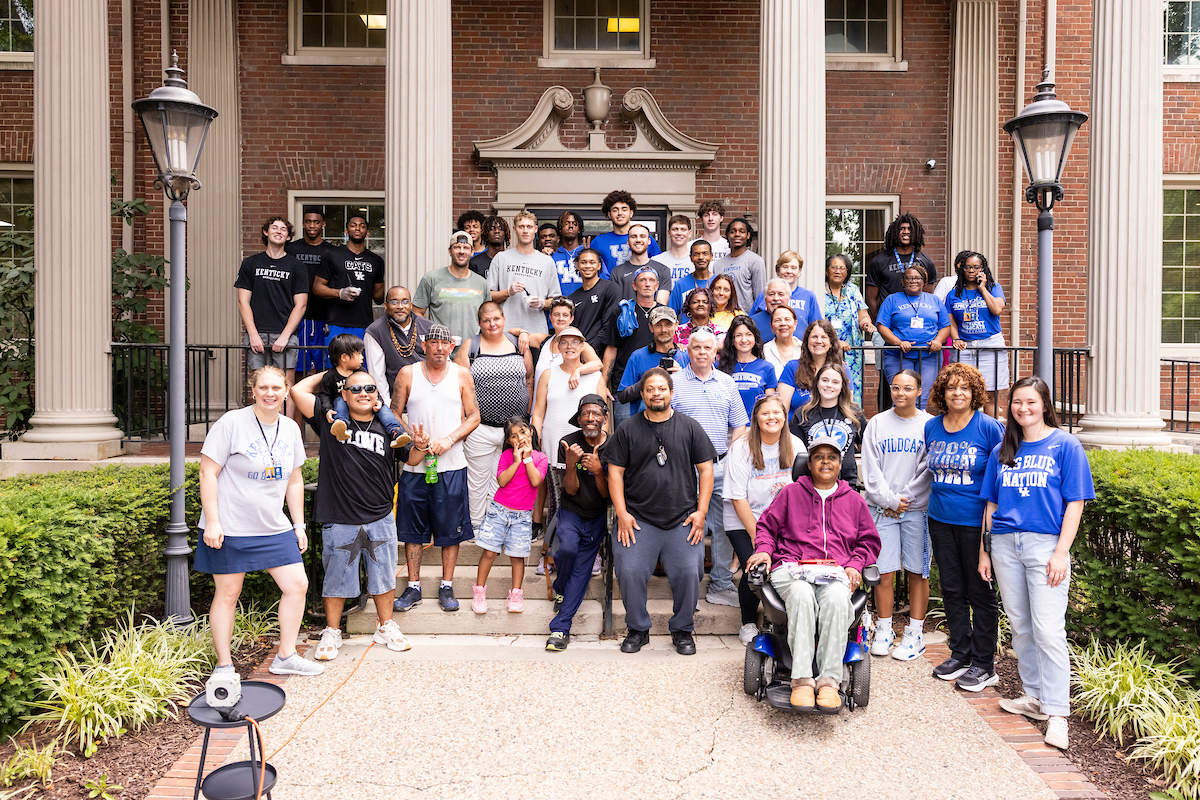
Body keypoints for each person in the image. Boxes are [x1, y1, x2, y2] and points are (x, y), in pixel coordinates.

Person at [980, 376, 1095, 751]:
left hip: (1045, 546)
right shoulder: (1003, 449)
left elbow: (1075, 502)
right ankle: (1034, 696)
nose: (1023, 408)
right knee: (1021, 626)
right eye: (1017, 402)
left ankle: (1058, 713)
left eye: (1030, 402)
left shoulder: (1065, 445)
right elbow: (991, 504)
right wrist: (985, 551)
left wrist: (1061, 552)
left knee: (1048, 629)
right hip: (1004, 545)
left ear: (1045, 405)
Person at [196, 366, 322, 677]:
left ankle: (286, 656)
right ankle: (224, 666)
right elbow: (207, 473)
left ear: (286, 391)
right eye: (263, 387)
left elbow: (294, 480)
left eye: (276, 388)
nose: (270, 393)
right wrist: (213, 522)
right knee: (228, 594)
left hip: (273, 526)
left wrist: (298, 525)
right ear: (252, 391)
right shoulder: (232, 423)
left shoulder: (290, 428)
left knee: (297, 585)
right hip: (230, 526)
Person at [745, 437, 881, 710]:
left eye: (832, 457)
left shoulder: (854, 501)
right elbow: (767, 529)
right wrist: (764, 551)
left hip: (835, 570)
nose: (825, 462)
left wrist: (855, 564)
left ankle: (829, 681)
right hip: (792, 566)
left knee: (837, 599)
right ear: (809, 464)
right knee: (801, 594)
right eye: (819, 457)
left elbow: (868, 541)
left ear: (840, 465)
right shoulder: (790, 494)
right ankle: (802, 680)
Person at [290, 369, 411, 661]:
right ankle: (332, 631)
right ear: (344, 394)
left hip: (380, 514)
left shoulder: (388, 426)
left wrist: (420, 443)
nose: (363, 393)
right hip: (340, 514)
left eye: (369, 388)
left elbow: (413, 457)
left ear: (377, 394)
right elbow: (297, 391)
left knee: (384, 575)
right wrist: (336, 371)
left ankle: (385, 626)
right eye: (355, 389)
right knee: (336, 577)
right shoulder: (330, 419)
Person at [605, 368, 716, 656]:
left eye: (662, 389)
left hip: (682, 519)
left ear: (671, 393)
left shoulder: (690, 427)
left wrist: (701, 512)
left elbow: (706, 470)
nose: (656, 393)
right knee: (629, 571)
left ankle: (682, 629)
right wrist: (622, 513)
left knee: (689, 572)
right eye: (650, 389)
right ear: (642, 394)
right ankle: (638, 629)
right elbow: (615, 473)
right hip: (638, 519)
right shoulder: (627, 429)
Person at [924, 363, 1004, 691]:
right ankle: (960, 653)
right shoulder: (932, 427)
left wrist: (990, 531)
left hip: (976, 523)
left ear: (974, 393)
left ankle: (984, 664)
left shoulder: (989, 428)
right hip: (940, 519)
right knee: (952, 589)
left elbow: (1001, 478)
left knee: (980, 592)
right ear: (942, 393)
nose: (958, 393)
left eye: (965, 388)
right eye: (951, 387)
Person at [391, 324, 481, 612]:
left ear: (452, 347)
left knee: (451, 530)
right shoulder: (408, 373)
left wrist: (449, 440)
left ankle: (447, 585)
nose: (440, 348)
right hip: (416, 465)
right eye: (434, 343)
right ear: (424, 345)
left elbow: (474, 416)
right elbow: (394, 413)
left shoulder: (461, 374)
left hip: (452, 465)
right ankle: (413, 586)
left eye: (445, 344)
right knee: (412, 530)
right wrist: (413, 437)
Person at [670, 329, 750, 609]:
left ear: (716, 352)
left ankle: (721, 584)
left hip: (719, 466)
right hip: (683, 468)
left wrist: (732, 459)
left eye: (707, 348)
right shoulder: (674, 383)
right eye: (697, 348)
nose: (702, 352)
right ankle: (686, 587)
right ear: (688, 351)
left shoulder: (727, 383)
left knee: (723, 527)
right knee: (684, 526)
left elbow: (739, 424)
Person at [862, 369, 933, 662]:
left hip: (916, 510)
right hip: (883, 509)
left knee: (918, 571)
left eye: (907, 388)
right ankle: (884, 629)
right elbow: (871, 469)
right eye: (895, 388)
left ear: (919, 390)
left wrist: (904, 499)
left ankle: (915, 633)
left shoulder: (929, 424)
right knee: (884, 572)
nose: (900, 393)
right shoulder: (877, 423)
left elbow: (928, 468)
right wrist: (890, 500)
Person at [722, 395, 802, 644]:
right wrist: (760, 540)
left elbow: (803, 490)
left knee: (787, 567)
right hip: (744, 520)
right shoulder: (741, 447)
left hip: (783, 522)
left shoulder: (796, 445)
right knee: (755, 565)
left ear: (784, 417)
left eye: (776, 413)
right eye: (765, 413)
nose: (771, 417)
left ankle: (781, 619)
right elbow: (738, 498)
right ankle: (748, 623)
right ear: (756, 418)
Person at [453, 302, 533, 529]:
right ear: (479, 323)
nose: (492, 324)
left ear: (504, 319)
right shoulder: (471, 345)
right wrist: (463, 423)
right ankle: (476, 526)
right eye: (486, 320)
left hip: (513, 431)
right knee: (477, 480)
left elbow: (529, 378)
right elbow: (458, 386)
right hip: (480, 427)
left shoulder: (517, 343)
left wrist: (526, 417)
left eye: (496, 319)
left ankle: (494, 526)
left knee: (504, 480)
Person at [546, 395, 610, 651]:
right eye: (585, 413)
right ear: (579, 418)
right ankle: (560, 587)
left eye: (596, 413)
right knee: (566, 550)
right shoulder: (568, 442)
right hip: (571, 511)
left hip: (596, 516)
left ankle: (561, 628)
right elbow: (570, 490)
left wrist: (598, 470)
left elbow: (606, 495)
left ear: (604, 417)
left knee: (581, 572)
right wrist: (571, 464)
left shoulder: (613, 446)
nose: (590, 418)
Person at [472, 416, 549, 615]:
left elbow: (535, 481)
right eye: (514, 436)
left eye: (522, 432)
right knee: (489, 552)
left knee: (517, 556)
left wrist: (528, 458)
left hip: (523, 517)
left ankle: (516, 595)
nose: (519, 438)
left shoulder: (541, 458)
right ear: (509, 441)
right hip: (499, 511)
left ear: (530, 432)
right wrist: (516, 461)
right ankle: (479, 591)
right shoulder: (507, 456)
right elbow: (502, 481)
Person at [866, 214, 938, 411]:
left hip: (918, 334)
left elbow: (927, 295)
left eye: (909, 229)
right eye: (902, 229)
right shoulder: (880, 260)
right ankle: (887, 418)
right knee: (888, 380)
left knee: (917, 384)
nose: (906, 232)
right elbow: (871, 298)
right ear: (894, 233)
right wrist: (884, 324)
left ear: (916, 233)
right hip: (886, 329)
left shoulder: (926, 262)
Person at [235, 217, 309, 387]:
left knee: (286, 386)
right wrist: (253, 335)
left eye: (283, 229)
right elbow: (242, 301)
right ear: (266, 232)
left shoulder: (297, 266)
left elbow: (301, 305)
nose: (278, 231)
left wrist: (285, 336)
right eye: (274, 227)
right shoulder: (250, 263)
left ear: (288, 237)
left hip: (285, 334)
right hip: (257, 334)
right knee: (259, 385)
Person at [532, 325, 602, 494]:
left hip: (586, 446)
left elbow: (602, 416)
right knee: (556, 497)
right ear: (559, 346)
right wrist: (535, 442)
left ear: (582, 346)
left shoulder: (596, 377)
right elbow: (538, 413)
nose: (569, 346)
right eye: (564, 342)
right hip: (553, 444)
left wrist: (599, 446)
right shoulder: (548, 374)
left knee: (586, 495)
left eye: (575, 342)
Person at [877, 265, 951, 409]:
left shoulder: (934, 300)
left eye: (917, 278)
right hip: (897, 356)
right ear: (902, 281)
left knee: (921, 398)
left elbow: (945, 326)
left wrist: (938, 340)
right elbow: (882, 326)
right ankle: (900, 424)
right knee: (901, 397)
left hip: (929, 356)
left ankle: (916, 424)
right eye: (909, 278)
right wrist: (898, 342)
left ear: (924, 281)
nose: (913, 281)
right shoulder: (892, 300)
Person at [601, 267, 667, 425]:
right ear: (634, 285)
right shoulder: (621, 311)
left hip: (658, 387)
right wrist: (603, 383)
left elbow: (672, 344)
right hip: (626, 386)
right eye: (642, 280)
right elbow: (612, 348)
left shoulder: (664, 313)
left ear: (657, 285)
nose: (647, 284)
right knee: (626, 433)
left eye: (651, 280)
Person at [317, 334, 408, 448]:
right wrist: (327, 410)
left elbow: (372, 388)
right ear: (344, 357)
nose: (362, 357)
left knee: (384, 409)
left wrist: (379, 401)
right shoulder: (330, 376)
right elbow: (324, 395)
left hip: (365, 403)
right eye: (359, 354)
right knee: (340, 400)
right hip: (343, 406)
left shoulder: (361, 372)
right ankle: (340, 426)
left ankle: (396, 431)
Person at [945, 250, 1010, 409]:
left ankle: (989, 426)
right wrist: (956, 338)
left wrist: (983, 289)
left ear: (983, 269)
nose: (971, 271)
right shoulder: (953, 294)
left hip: (990, 345)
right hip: (965, 348)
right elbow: (951, 322)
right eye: (967, 267)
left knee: (989, 395)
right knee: (962, 392)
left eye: (976, 267)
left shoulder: (994, 288)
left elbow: (997, 310)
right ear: (962, 269)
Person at [791, 363, 866, 486]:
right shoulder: (802, 415)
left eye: (835, 382)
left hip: (847, 483)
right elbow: (795, 454)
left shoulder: (855, 414)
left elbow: (866, 449)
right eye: (825, 380)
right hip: (811, 484)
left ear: (842, 386)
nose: (829, 385)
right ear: (817, 383)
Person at [488, 210, 562, 336]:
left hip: (537, 331)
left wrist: (542, 303)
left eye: (529, 227)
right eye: (521, 227)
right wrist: (508, 292)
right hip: (506, 330)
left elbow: (556, 301)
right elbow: (488, 296)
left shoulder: (547, 261)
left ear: (535, 229)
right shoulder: (501, 258)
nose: (525, 231)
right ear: (514, 229)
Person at [413, 231, 490, 350]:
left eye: (466, 248)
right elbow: (416, 313)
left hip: (472, 352)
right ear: (450, 251)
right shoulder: (431, 279)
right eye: (457, 247)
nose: (461, 251)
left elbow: (487, 318)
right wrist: (433, 335)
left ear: (472, 252)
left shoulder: (482, 283)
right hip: (439, 351)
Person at [313, 214, 385, 341]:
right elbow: (317, 287)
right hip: (336, 322)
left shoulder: (376, 260)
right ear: (346, 231)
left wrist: (390, 279)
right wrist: (340, 293)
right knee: (335, 355)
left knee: (362, 355)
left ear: (367, 233)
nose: (357, 228)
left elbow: (378, 298)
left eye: (362, 226)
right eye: (353, 225)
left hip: (364, 323)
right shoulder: (332, 254)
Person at [521, 297, 602, 408]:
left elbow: (597, 364)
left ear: (571, 319)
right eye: (556, 315)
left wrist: (578, 371)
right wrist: (523, 332)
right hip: (538, 408)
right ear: (550, 317)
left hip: (562, 407)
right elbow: (510, 333)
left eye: (565, 315)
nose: (560, 318)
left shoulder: (578, 345)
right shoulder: (544, 341)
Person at [365, 285, 433, 410]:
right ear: (386, 306)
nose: (400, 306)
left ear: (411, 305)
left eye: (405, 301)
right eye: (394, 302)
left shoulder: (429, 327)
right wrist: (389, 406)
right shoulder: (375, 331)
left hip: (430, 399)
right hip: (397, 402)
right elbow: (378, 376)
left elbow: (442, 363)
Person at [614, 304, 689, 416]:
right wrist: (648, 379)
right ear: (651, 327)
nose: (663, 330)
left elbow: (699, 394)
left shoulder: (686, 356)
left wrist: (682, 377)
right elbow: (623, 396)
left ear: (676, 325)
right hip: (644, 422)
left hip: (679, 421)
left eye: (668, 324)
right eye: (658, 325)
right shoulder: (638, 356)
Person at [286, 207, 334, 377]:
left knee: (324, 366)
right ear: (303, 223)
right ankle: (299, 395)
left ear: (323, 224)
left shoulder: (331, 251)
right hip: (298, 314)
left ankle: (322, 396)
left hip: (324, 314)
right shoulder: (291, 249)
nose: (312, 225)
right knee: (299, 366)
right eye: (308, 221)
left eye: (316, 222)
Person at [824, 253, 875, 406]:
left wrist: (866, 324)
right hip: (826, 350)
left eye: (842, 268)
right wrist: (834, 342)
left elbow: (863, 315)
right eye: (834, 267)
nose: (838, 271)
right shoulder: (819, 290)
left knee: (852, 390)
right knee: (829, 386)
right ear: (826, 271)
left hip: (852, 352)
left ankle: (852, 417)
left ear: (847, 272)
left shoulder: (852, 290)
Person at [779, 319, 849, 415]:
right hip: (796, 423)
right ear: (807, 341)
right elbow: (782, 410)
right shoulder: (792, 367)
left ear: (831, 343)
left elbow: (847, 407)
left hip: (830, 424)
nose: (818, 341)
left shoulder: (842, 369)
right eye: (814, 337)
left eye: (824, 337)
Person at [718, 315, 778, 420]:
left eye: (748, 334)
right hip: (726, 425)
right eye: (738, 335)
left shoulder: (767, 368)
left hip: (755, 425)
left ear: (755, 337)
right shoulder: (718, 367)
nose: (744, 340)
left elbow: (770, 405)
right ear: (732, 339)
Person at [592, 190, 661, 278]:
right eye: (615, 210)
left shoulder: (644, 239)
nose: (620, 213)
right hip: (610, 286)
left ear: (631, 213)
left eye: (624, 209)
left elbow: (658, 267)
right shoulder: (598, 242)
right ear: (609, 214)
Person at [749, 252, 823, 331]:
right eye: (785, 267)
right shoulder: (764, 294)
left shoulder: (808, 296)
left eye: (793, 268)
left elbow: (817, 327)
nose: (789, 271)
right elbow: (750, 323)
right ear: (777, 271)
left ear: (799, 272)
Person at [566, 248, 620, 353]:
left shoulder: (610, 288)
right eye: (583, 262)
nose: (587, 266)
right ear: (577, 265)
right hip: (578, 353)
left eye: (592, 262)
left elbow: (609, 326)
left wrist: (591, 350)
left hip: (602, 353)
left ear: (599, 266)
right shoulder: (572, 298)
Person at [711, 217, 766, 313]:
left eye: (742, 231)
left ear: (748, 235)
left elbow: (760, 297)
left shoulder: (756, 261)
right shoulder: (718, 265)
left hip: (747, 318)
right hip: (723, 318)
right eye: (733, 231)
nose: (737, 234)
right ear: (728, 235)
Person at [609, 223, 672, 304]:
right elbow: (615, 304)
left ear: (649, 241)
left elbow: (661, 304)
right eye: (633, 236)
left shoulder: (663, 270)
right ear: (628, 242)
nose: (638, 240)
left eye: (642, 236)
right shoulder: (617, 272)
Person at [667, 239, 715, 315]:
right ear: (691, 258)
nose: (701, 257)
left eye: (705, 253)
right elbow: (671, 314)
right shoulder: (681, 284)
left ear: (711, 256)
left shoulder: (718, 282)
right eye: (696, 254)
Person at [652, 214, 697, 288]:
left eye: (683, 229)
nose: (679, 233)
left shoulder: (696, 260)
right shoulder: (656, 261)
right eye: (675, 229)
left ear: (689, 233)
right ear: (669, 233)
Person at [552, 210, 587, 296]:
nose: (571, 226)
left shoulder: (589, 254)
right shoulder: (552, 257)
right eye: (566, 223)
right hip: (559, 303)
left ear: (579, 229)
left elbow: (602, 282)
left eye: (574, 224)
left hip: (585, 303)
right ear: (560, 229)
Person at [762, 305, 800, 378]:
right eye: (777, 320)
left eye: (787, 319)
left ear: (795, 324)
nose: (783, 323)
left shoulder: (804, 349)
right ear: (771, 326)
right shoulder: (764, 351)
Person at [469, 215, 509, 279]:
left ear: (506, 233)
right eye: (492, 229)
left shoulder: (511, 261)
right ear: (485, 233)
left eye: (500, 229)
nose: (497, 231)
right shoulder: (474, 263)